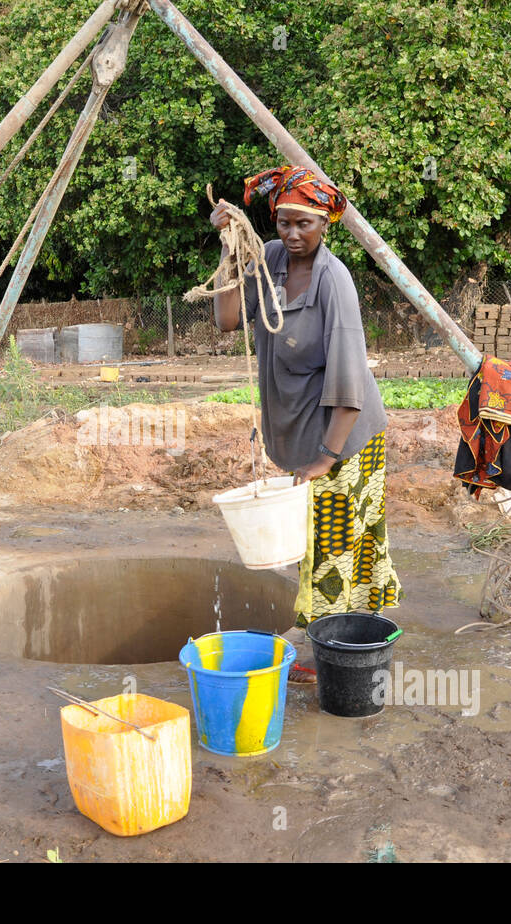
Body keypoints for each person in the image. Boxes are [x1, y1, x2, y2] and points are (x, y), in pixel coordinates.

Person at [209, 165, 403, 684]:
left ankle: (331, 652)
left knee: (335, 546)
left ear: (325, 225)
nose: (293, 235)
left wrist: (326, 456)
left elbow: (349, 378)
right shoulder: (269, 261)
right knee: (312, 542)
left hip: (345, 436)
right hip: (299, 434)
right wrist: (230, 252)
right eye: (284, 223)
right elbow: (228, 320)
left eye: (304, 225)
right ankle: (331, 635)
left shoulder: (334, 281)